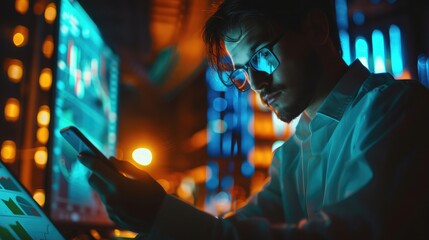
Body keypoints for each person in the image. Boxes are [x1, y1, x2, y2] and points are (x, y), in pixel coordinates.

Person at [77, 0, 429, 239]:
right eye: (244, 70)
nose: (257, 84)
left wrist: (159, 214)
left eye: (262, 56)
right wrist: (156, 215)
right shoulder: (291, 156)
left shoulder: (395, 109)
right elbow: (234, 228)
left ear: (318, 29)